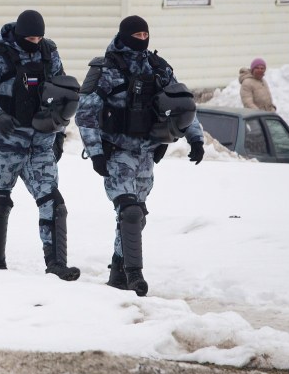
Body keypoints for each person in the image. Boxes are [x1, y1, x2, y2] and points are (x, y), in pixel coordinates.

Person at [76, 15, 205, 297]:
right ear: (124, 35)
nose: (142, 40)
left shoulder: (158, 68)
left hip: (147, 154)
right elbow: (85, 114)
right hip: (117, 153)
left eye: (146, 35)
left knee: (136, 215)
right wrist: (96, 152)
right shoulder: (105, 69)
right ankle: (135, 276)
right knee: (129, 211)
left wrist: (195, 137)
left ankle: (118, 273)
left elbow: (182, 103)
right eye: (137, 35)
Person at [0, 10, 80, 281]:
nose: (35, 40)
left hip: (40, 143)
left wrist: (60, 134)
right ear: (19, 34)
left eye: (39, 36)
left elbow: (61, 94)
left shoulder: (48, 53)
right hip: (4, 142)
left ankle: (56, 265)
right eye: (30, 37)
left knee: (53, 202)